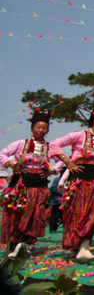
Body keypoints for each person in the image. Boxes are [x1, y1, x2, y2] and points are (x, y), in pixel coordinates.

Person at [49, 102, 94, 262]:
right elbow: (54, 144)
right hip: (80, 181)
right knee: (78, 213)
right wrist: (68, 162)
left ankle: (85, 247)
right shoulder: (79, 135)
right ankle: (76, 248)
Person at [0, 108, 62, 258]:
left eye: (44, 128)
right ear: (32, 128)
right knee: (16, 213)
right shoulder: (22, 143)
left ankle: (25, 244)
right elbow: (3, 153)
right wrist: (12, 163)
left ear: (47, 130)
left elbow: (60, 161)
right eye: (38, 127)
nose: (41, 130)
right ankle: (13, 246)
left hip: (39, 185)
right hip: (21, 184)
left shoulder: (50, 147)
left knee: (35, 215)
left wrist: (52, 170)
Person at [49, 168, 66, 234]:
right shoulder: (57, 179)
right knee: (55, 216)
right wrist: (63, 193)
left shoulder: (68, 180)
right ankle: (53, 229)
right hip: (57, 201)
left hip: (65, 202)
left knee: (65, 216)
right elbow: (53, 188)